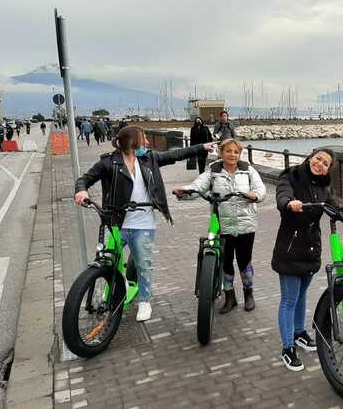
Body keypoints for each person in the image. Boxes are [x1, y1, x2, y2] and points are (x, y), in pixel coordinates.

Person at [74, 126, 216, 322]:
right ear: (133, 142)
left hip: (143, 224)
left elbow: (176, 154)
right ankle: (116, 289)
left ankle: (144, 301)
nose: (148, 143)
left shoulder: (149, 159)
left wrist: (201, 147)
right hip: (115, 222)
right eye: (144, 139)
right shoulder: (108, 162)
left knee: (143, 264)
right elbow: (84, 179)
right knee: (108, 260)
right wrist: (81, 191)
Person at [173, 139, 266, 313]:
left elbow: (261, 190)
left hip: (246, 225)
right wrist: (184, 191)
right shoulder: (213, 171)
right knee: (226, 262)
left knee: (245, 262)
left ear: (240, 154)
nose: (232, 155)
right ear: (221, 153)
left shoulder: (248, 170)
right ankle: (230, 297)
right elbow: (198, 186)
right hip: (223, 224)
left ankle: (249, 294)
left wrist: (254, 195)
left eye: (236, 152)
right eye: (228, 151)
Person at [271, 149, 338, 371]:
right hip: (290, 248)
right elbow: (282, 194)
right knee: (289, 299)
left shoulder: (324, 186)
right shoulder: (291, 175)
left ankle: (299, 332)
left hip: (310, 249)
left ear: (328, 169)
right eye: (318, 158)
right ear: (310, 157)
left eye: (325, 163)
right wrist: (289, 203)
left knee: (301, 295)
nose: (320, 164)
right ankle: (287, 347)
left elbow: (335, 209)